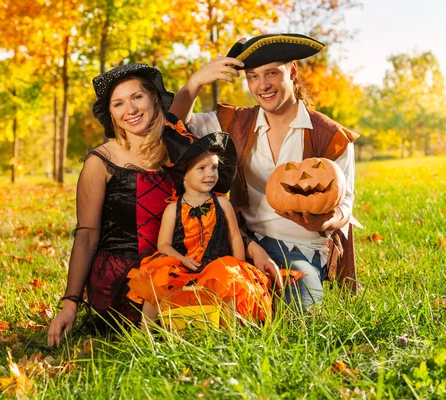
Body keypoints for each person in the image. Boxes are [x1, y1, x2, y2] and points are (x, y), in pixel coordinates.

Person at [169, 33, 358, 310]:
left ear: (291, 71)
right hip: (242, 242)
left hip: (301, 250)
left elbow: (345, 205)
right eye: (253, 76)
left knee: (300, 316)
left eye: (272, 73)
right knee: (212, 307)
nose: (263, 85)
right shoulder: (236, 124)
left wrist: (324, 223)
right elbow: (178, 125)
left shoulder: (330, 136)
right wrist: (195, 83)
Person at [126, 115, 299, 326]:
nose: (210, 174)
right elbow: (163, 244)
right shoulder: (173, 209)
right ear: (183, 176)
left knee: (229, 278)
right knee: (158, 276)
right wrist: (181, 259)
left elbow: (234, 236)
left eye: (214, 168)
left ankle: (231, 330)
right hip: (183, 263)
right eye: (202, 168)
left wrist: (238, 264)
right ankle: (146, 333)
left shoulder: (222, 204)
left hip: (216, 264)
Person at [47, 64, 175, 347]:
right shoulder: (100, 161)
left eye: (137, 97)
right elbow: (86, 234)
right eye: (119, 103)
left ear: (153, 98)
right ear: (112, 114)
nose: (130, 109)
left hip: (172, 268)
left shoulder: (177, 151)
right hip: (121, 278)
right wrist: (70, 303)